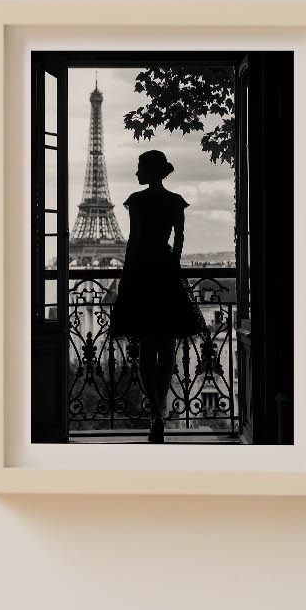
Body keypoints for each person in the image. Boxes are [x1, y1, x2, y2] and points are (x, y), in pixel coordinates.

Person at [107, 146, 206, 433]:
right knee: (167, 348)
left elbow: (134, 241)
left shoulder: (136, 201)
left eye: (140, 167)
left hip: (142, 273)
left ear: (149, 171)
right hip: (165, 272)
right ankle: (161, 408)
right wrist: (172, 263)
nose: (137, 172)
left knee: (146, 351)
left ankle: (154, 412)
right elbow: (180, 237)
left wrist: (128, 277)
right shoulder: (175, 201)